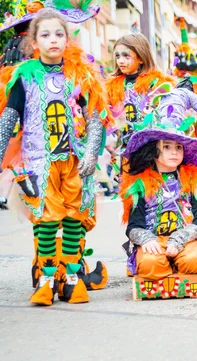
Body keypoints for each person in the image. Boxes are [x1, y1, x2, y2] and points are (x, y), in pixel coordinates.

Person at [0, 9, 112, 305]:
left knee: (75, 218)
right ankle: (47, 280)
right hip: (40, 162)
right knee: (47, 220)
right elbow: (10, 116)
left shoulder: (79, 74)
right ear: (34, 41)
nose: (53, 40)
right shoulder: (24, 77)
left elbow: (94, 117)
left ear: (67, 39)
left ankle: (73, 280)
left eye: (59, 34)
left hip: (75, 161)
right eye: (46, 35)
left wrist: (90, 151)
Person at [120, 83, 197, 281]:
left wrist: (181, 239)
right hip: (154, 242)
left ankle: (178, 265)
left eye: (179, 147)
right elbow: (133, 225)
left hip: (186, 240)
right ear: (154, 150)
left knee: (195, 260)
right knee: (149, 263)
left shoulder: (193, 180)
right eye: (167, 146)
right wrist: (145, 239)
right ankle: (167, 267)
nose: (174, 152)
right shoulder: (140, 183)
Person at [106, 33, 176, 147]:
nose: (120, 61)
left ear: (141, 59)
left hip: (151, 145)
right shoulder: (111, 87)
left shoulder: (155, 83)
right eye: (118, 56)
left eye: (126, 56)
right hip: (124, 147)